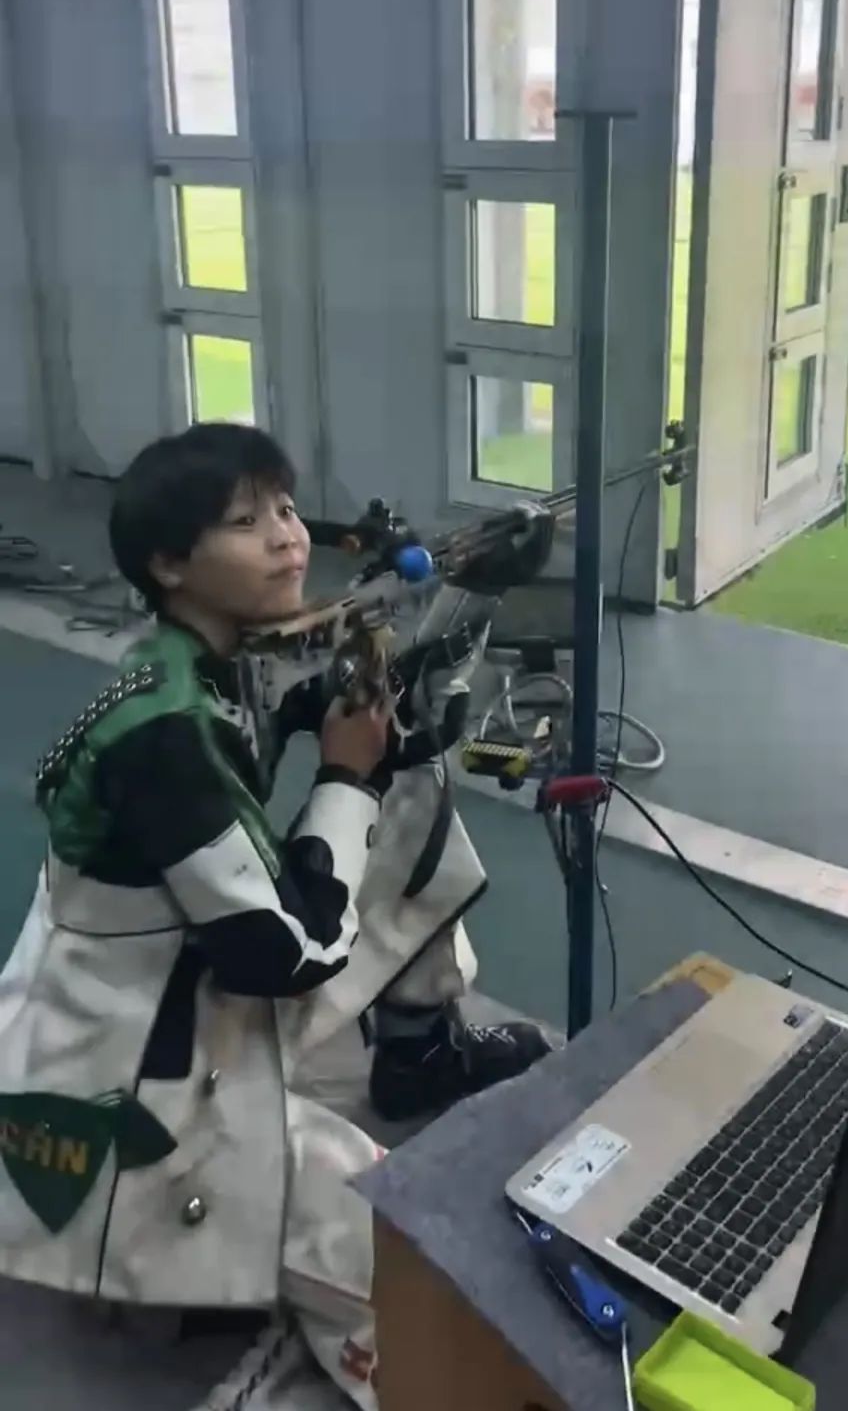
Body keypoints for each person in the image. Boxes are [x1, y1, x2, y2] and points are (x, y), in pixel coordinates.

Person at [0, 424, 549, 1405]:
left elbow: (400, 726)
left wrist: (473, 598)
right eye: (245, 521)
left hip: (173, 990)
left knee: (407, 793)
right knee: (384, 1225)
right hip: (114, 1100)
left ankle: (417, 1049)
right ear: (170, 564)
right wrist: (345, 774)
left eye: (288, 510)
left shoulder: (217, 660)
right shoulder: (167, 736)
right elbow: (283, 954)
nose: (288, 535)